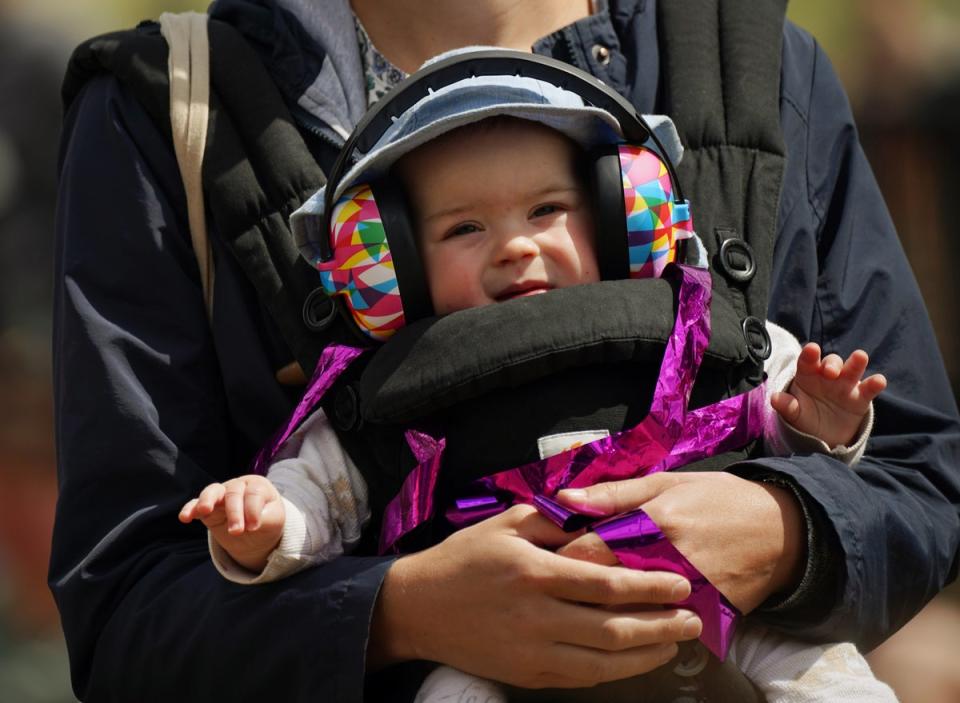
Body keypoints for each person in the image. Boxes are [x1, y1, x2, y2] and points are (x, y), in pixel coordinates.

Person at [50, 1, 960, 701]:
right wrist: (400, 613)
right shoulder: (162, 110)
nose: (517, 250)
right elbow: (127, 611)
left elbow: (920, 477)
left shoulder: (755, 65)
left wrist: (782, 531)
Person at [179, 98, 895, 702]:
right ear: (393, 262)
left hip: (712, 589)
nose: (516, 247)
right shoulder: (396, 388)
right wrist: (266, 524)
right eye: (465, 228)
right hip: (488, 636)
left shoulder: (683, 323)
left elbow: (762, 404)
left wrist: (819, 420)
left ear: (620, 212)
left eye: (546, 210)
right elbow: (320, 490)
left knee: (828, 672)